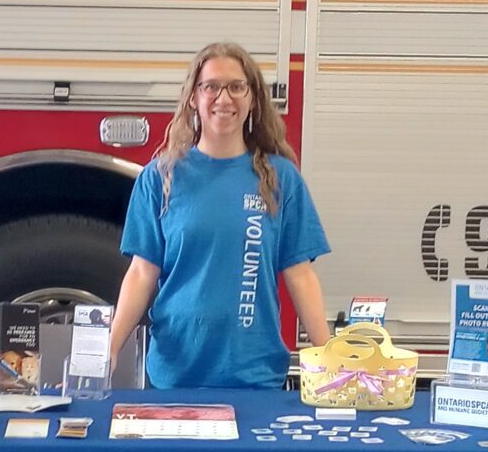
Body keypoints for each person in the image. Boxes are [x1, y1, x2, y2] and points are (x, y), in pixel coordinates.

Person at [108, 42, 331, 389]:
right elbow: (140, 273)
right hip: (176, 377)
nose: (223, 98)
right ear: (193, 98)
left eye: (236, 87)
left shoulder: (280, 178)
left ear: (253, 98)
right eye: (210, 86)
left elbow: (300, 275)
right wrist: (108, 349)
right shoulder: (160, 177)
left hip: (255, 377)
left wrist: (331, 359)